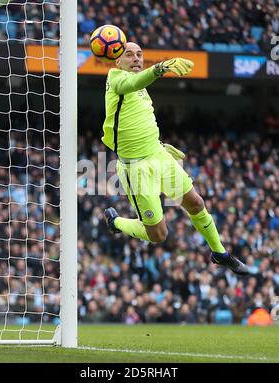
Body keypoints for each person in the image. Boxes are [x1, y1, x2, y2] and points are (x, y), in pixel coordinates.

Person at [102, 42, 249, 276]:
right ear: (117, 61)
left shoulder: (141, 87)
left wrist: (159, 145)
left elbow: (140, 120)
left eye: (140, 54)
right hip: (136, 168)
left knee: (196, 203)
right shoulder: (116, 78)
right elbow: (131, 83)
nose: (136, 59)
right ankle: (116, 222)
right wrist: (160, 68)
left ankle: (220, 253)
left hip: (157, 156)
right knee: (158, 235)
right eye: (129, 55)